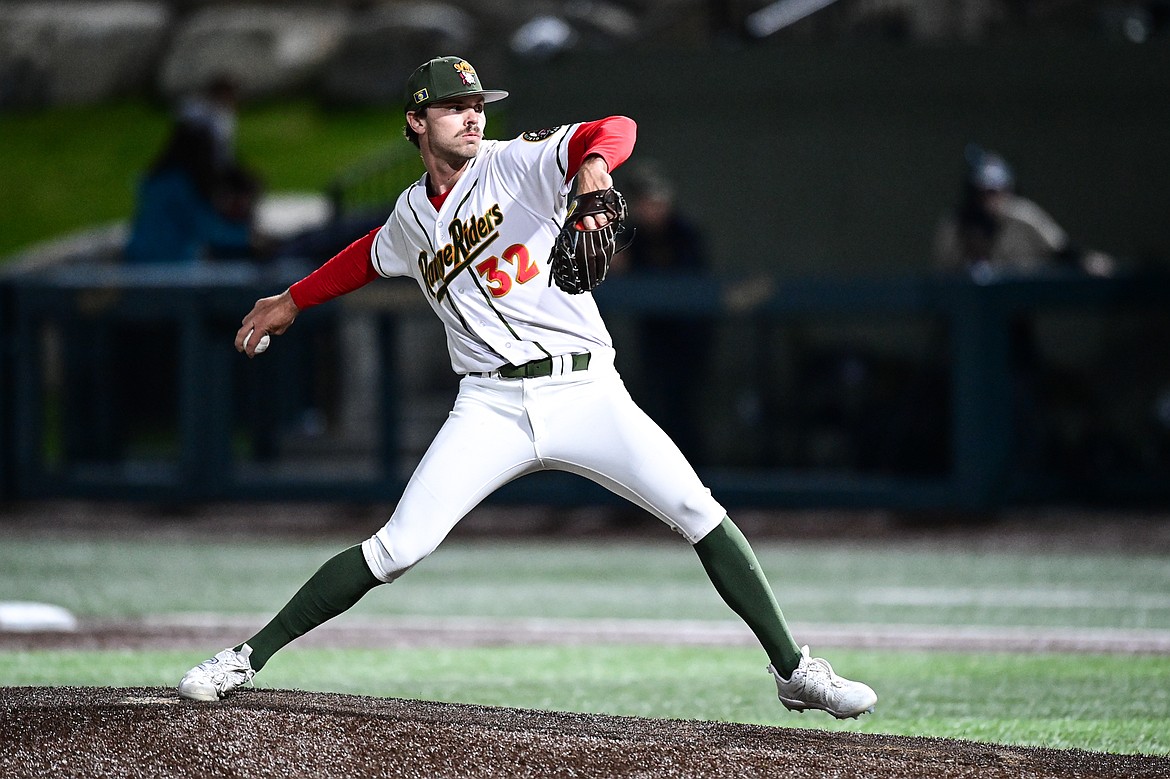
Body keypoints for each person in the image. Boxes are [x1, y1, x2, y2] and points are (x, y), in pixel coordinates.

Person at [176, 56, 877, 719]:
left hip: (586, 391)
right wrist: (293, 299)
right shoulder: (413, 215)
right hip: (490, 405)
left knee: (698, 509)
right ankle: (245, 657)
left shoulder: (518, 160)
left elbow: (616, 128)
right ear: (417, 123)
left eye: (477, 105)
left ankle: (794, 669)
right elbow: (370, 253)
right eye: (454, 107)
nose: (473, 117)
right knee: (397, 547)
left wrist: (596, 168)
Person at [612, 161, 714, 464]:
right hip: (654, 340)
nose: (648, 209)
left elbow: (694, 284)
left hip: (689, 339)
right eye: (642, 202)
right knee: (652, 410)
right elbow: (612, 265)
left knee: (683, 412)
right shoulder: (636, 235)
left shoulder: (684, 233)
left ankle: (696, 482)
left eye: (653, 201)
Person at [932, 144, 1114, 279]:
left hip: (1015, 306)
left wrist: (1086, 260)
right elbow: (943, 273)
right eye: (983, 192)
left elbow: (1060, 248)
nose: (990, 199)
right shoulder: (955, 223)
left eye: (996, 191)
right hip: (971, 307)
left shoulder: (1023, 215)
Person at [123, 120, 257, 264]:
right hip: (169, 265)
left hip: (137, 259)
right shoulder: (182, 187)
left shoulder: (157, 180)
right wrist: (247, 238)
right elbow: (205, 228)